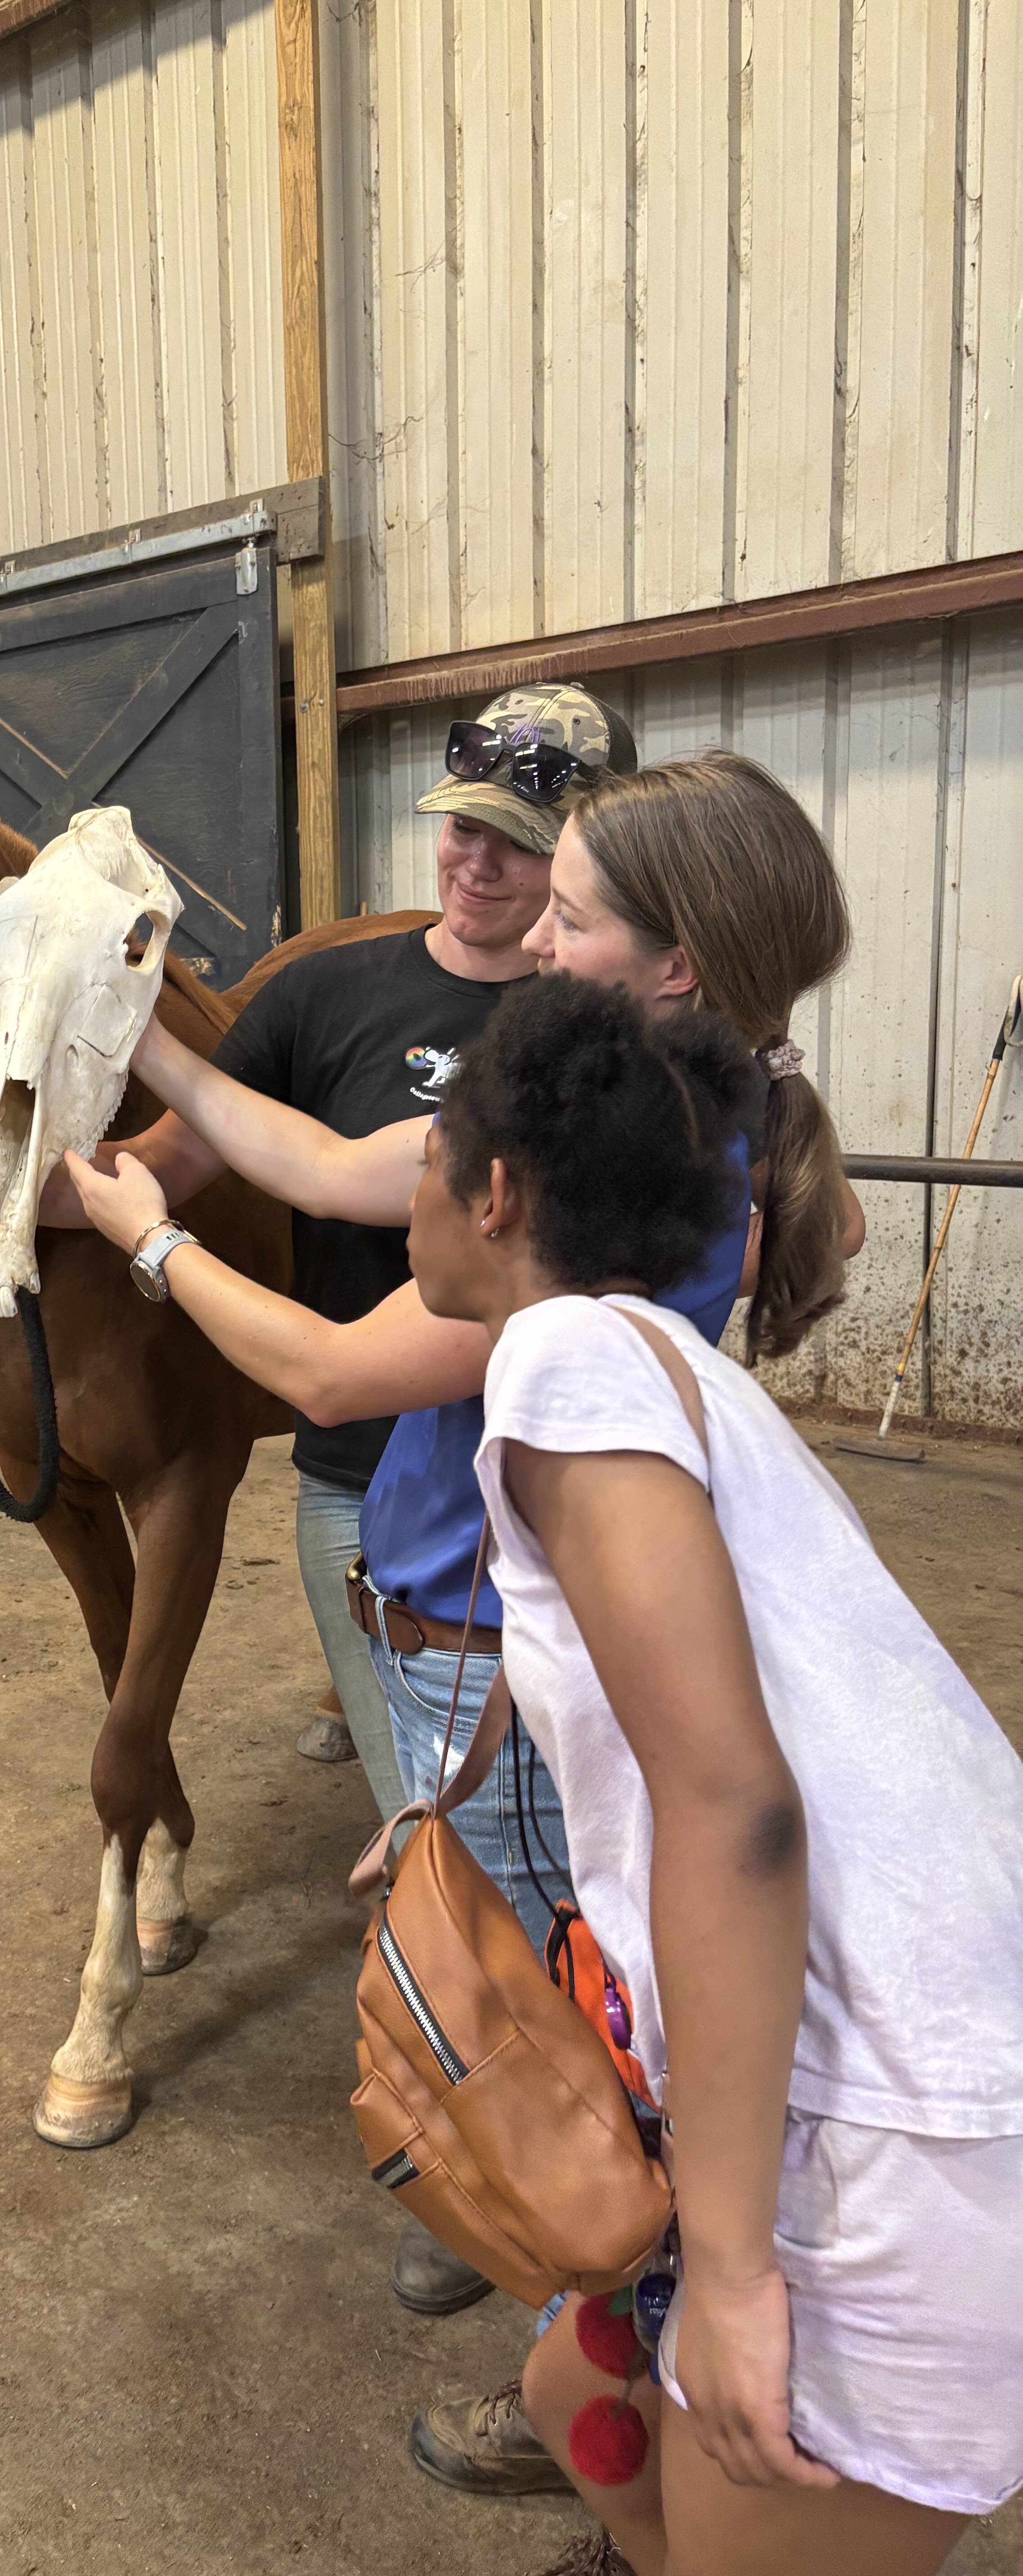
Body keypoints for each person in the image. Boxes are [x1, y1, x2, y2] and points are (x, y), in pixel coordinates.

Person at [62, 751, 863, 2470]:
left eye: (565, 914)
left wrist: (149, 1247)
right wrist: (144, 1048)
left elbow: (340, 1365)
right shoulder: (596, 1115)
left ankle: (598, 2379)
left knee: (542, 2051)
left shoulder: (625, 1203)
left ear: (676, 974)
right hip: (460, 1650)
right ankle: (597, 2368)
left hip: (504, 1672)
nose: (516, 940)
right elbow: (329, 1164)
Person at [401, 970, 1023, 2576]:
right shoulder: (667, 1372)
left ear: (493, 1191)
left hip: (898, 2124)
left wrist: (739, 2272)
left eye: (424, 1155)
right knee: (571, 2392)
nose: (404, 1185)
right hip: (919, 2049)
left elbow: (733, 1803)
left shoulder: (559, 1361)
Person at [0, 683, 634, 1808]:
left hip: (542, 1490)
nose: (477, 863)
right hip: (358, 1481)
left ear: (581, 864)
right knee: (433, 1823)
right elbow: (191, 1161)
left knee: (534, 1830)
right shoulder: (328, 993)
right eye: (465, 825)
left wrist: (158, 1245)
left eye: (523, 845)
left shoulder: (586, 1056)